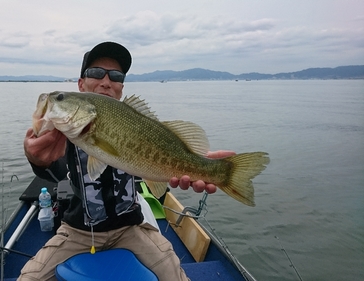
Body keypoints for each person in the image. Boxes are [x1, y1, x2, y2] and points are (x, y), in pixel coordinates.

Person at [19, 41, 235, 281]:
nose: (106, 81)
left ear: (121, 88)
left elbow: (157, 158)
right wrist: (36, 159)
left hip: (131, 228)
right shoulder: (63, 134)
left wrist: (195, 163)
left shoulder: (135, 125)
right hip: (78, 231)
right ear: (81, 84)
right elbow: (54, 168)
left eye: (116, 76)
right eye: (95, 73)